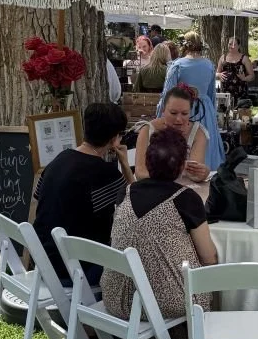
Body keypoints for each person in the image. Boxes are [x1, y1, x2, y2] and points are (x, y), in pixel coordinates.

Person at [103, 126, 216, 320]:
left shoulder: (125, 193)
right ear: (182, 166)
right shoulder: (186, 199)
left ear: (147, 161)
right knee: (209, 274)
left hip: (117, 298)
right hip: (168, 303)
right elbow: (209, 258)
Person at [33, 102, 132, 285]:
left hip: (43, 259)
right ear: (114, 139)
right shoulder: (106, 174)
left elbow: (39, 199)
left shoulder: (58, 161)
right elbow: (136, 207)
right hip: (76, 269)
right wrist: (125, 166)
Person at [157, 31, 225, 173]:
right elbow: (212, 93)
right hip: (206, 111)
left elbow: (168, 94)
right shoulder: (209, 65)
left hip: (184, 109)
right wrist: (213, 115)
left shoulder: (177, 65)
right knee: (206, 142)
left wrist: (161, 114)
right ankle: (206, 172)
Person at [135, 85, 210, 182]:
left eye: (184, 114)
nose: (178, 119)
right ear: (163, 111)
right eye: (173, 113)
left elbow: (194, 175)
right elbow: (140, 173)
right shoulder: (147, 130)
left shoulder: (198, 133)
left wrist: (202, 173)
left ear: (190, 112)